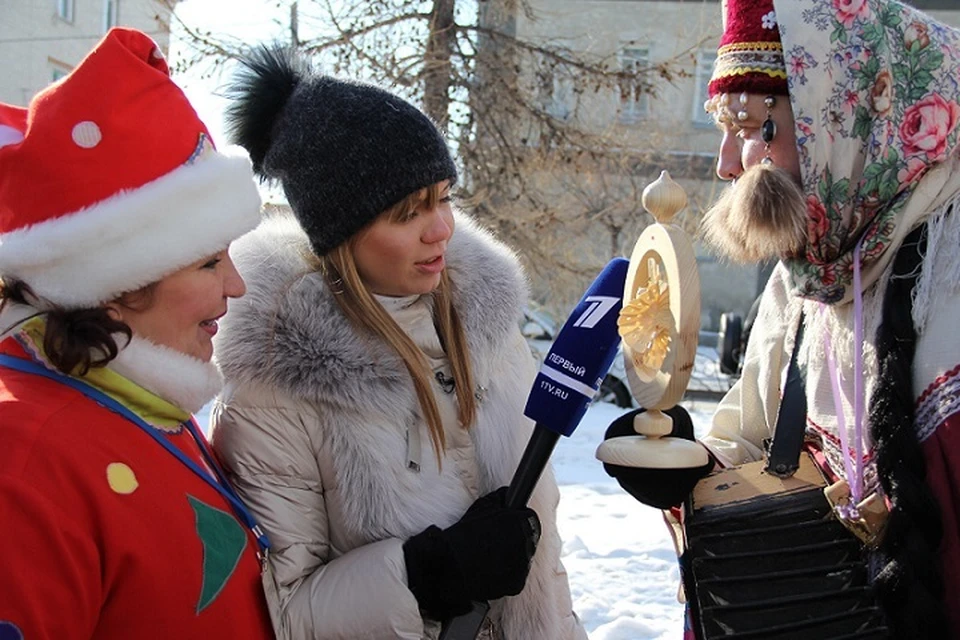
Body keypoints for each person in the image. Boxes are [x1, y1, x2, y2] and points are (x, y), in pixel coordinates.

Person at [603, 0, 960, 638]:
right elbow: (752, 445)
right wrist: (690, 467)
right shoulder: (803, 280)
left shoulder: (949, 273)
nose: (726, 164)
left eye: (748, 125)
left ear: (850, 116)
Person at [208, 44, 587, 640]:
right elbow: (285, 613)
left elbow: (546, 559)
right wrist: (427, 576)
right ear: (342, 232)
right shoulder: (272, 389)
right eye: (408, 211)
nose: (441, 228)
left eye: (443, 197)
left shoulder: (487, 331)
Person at [0, 28, 275, 640]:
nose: (237, 286)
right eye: (209, 262)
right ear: (119, 284)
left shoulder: (140, 401)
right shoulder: (23, 462)